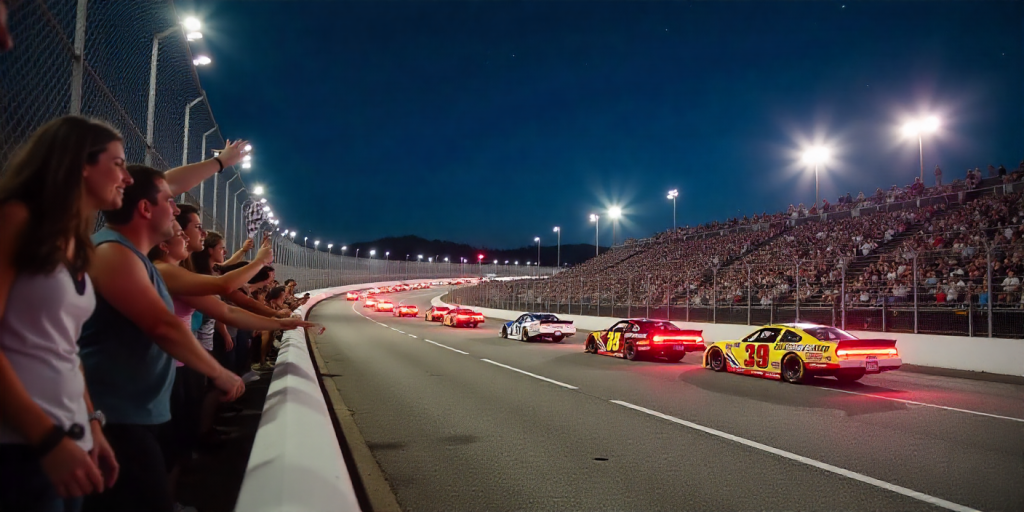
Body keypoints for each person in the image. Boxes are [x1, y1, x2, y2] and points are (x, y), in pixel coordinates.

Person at [77, 154, 247, 512]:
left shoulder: (133, 257)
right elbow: (162, 325)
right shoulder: (113, 254)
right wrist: (218, 371)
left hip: (136, 412)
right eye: (169, 201)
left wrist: (221, 162)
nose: (176, 210)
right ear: (144, 209)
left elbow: (165, 185)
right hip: (117, 417)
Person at [0, 117, 127, 511]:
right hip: (21, 446)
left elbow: (65, 350)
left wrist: (91, 423)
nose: (127, 177)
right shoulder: (16, 219)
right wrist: (48, 439)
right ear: (81, 164)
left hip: (71, 438)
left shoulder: (77, 243)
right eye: (118, 163)